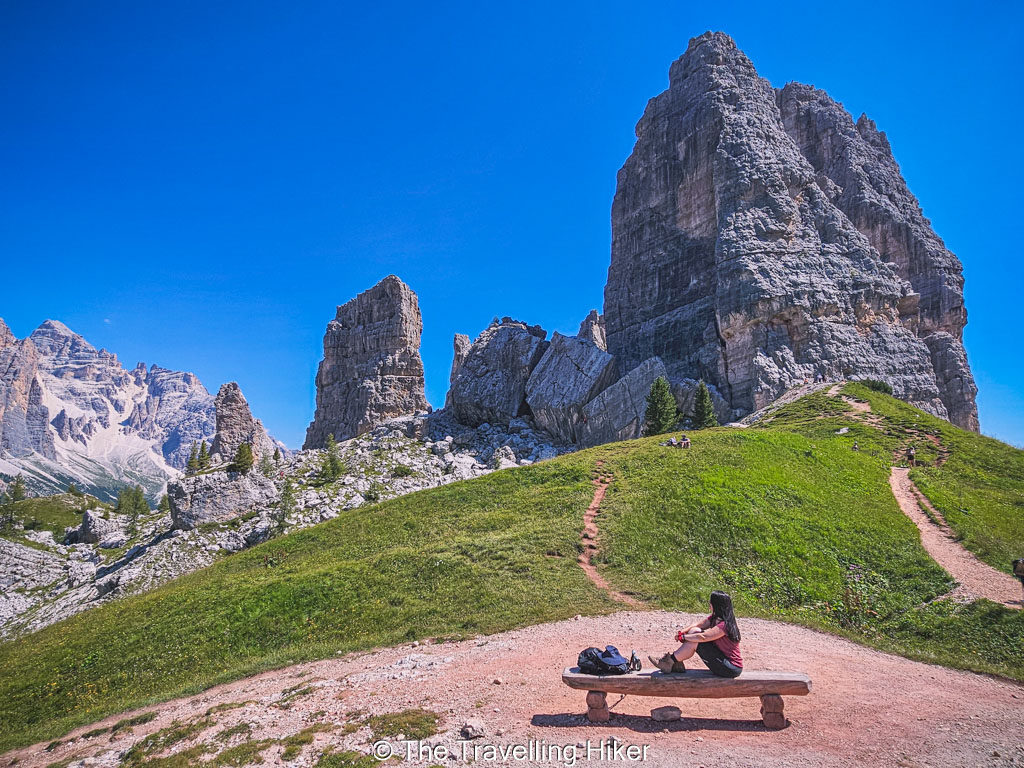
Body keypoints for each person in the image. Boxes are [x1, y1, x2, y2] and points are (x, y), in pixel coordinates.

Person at [649, 591, 743, 678]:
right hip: (722, 661)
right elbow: (698, 625)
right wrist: (683, 631)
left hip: (731, 668)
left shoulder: (724, 625)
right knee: (695, 630)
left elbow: (703, 637)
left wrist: (684, 637)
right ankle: (675, 662)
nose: (709, 604)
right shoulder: (715, 618)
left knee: (696, 640)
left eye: (711, 602)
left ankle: (671, 661)